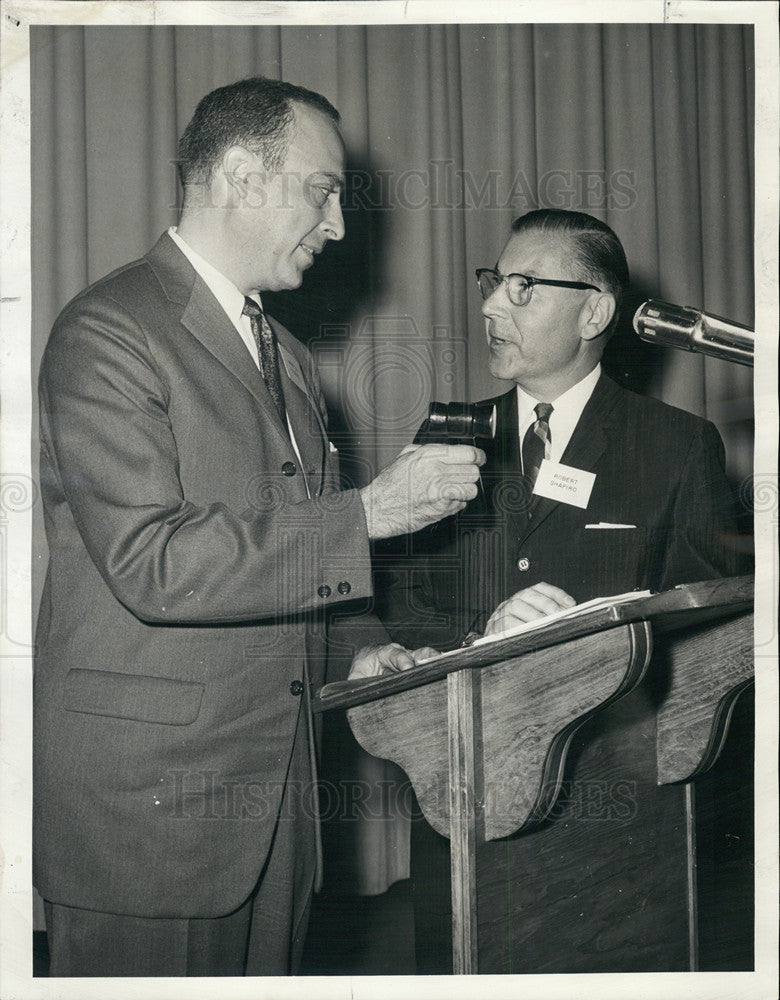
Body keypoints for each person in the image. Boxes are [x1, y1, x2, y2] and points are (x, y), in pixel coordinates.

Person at [33, 76, 484, 978]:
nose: (341, 227)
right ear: (242, 175)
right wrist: (373, 511)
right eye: (322, 192)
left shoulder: (284, 352)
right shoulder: (109, 331)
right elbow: (154, 562)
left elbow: (294, 544)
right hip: (149, 814)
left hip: (276, 808)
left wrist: (357, 646)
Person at [372, 208, 748, 972]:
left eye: (521, 287)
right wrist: (485, 640)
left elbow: (711, 635)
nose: (488, 306)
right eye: (491, 284)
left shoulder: (677, 445)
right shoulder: (446, 436)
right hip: (463, 794)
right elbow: (402, 612)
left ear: (596, 310)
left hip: (614, 806)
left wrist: (587, 647)